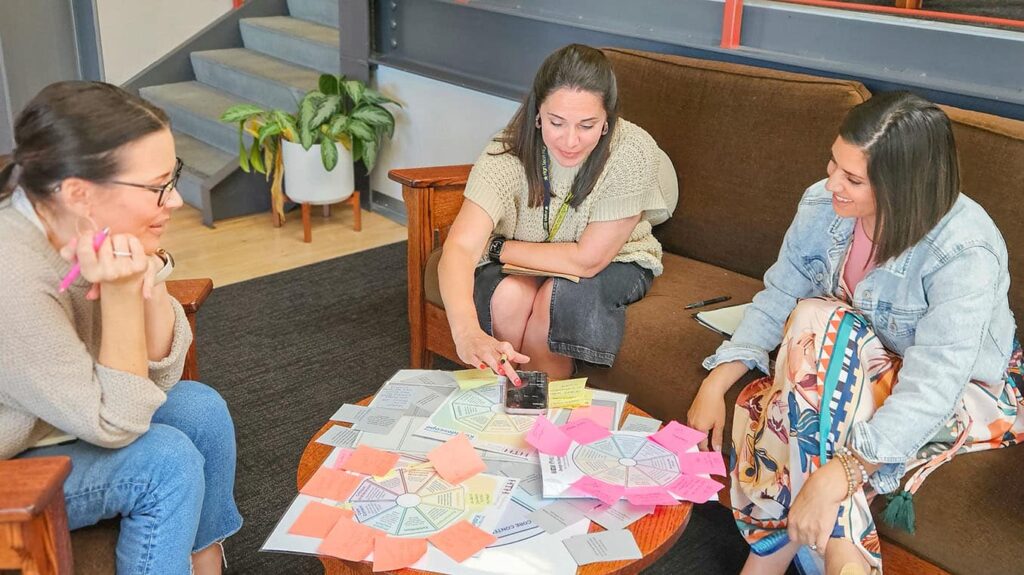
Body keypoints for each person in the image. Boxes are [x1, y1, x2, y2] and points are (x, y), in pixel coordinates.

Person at [687, 91, 1024, 575]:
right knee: (813, 316)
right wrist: (716, 380)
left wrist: (840, 474)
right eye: (832, 166)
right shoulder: (823, 207)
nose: (831, 185)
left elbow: (934, 383)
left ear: (904, 187)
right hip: (844, 368)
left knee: (800, 374)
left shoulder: (965, 249)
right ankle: (844, 556)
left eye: (852, 179)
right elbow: (780, 294)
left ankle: (775, 562)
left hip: (961, 391)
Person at [0, 81, 242, 575]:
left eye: (171, 177)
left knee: (200, 409)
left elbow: (164, 371)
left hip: (56, 420)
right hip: (12, 465)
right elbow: (116, 425)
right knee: (165, 461)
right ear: (78, 193)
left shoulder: (87, 231)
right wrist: (122, 293)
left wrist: (145, 274)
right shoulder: (14, 276)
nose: (174, 201)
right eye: (157, 187)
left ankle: (203, 562)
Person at [439, 43, 678, 383]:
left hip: (616, 258)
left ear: (607, 120)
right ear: (538, 114)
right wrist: (466, 333)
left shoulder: (632, 152)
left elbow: (587, 260)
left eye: (586, 125)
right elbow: (461, 246)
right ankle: (508, 409)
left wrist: (495, 248)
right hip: (530, 254)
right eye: (556, 122)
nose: (570, 141)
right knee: (508, 297)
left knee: (556, 299)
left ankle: (547, 422)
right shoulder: (506, 154)